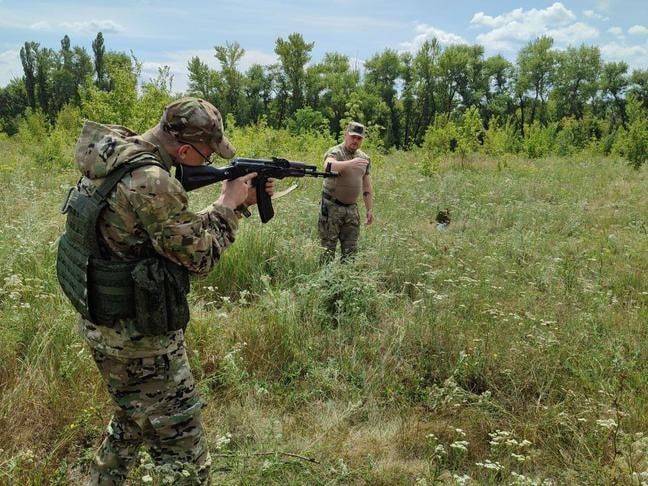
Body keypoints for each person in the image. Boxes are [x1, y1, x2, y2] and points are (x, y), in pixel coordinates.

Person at [56, 97, 273, 484]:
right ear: (185, 149)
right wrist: (229, 204)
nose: (210, 163)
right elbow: (199, 257)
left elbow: (167, 235)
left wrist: (235, 202)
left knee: (132, 420)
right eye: (207, 155)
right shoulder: (152, 182)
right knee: (183, 449)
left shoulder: (119, 155)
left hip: (107, 325)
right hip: (140, 340)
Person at [318, 121, 374, 262]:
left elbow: (366, 186)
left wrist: (369, 209)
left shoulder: (364, 158)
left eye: (359, 138)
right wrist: (350, 163)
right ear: (346, 135)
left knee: (350, 253)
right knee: (327, 250)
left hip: (352, 210)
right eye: (353, 136)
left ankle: (345, 279)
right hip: (332, 208)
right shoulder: (336, 152)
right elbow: (328, 166)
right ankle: (325, 281)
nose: (355, 140)